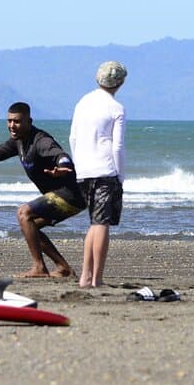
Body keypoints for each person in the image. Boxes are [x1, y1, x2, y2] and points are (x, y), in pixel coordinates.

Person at [0, 102, 85, 278]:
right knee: (30, 226)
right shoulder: (18, 141)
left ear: (29, 121)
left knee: (23, 213)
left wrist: (62, 166)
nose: (12, 125)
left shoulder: (40, 141)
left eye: (17, 121)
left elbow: (60, 155)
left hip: (71, 194)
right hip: (65, 197)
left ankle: (39, 268)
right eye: (9, 121)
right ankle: (64, 268)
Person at [69, 61, 127, 288]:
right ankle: (97, 277)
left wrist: (79, 163)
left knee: (94, 222)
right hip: (105, 169)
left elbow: (73, 137)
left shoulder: (83, 102)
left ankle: (86, 275)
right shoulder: (116, 108)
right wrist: (120, 175)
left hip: (84, 169)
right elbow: (118, 147)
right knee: (101, 223)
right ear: (120, 82)